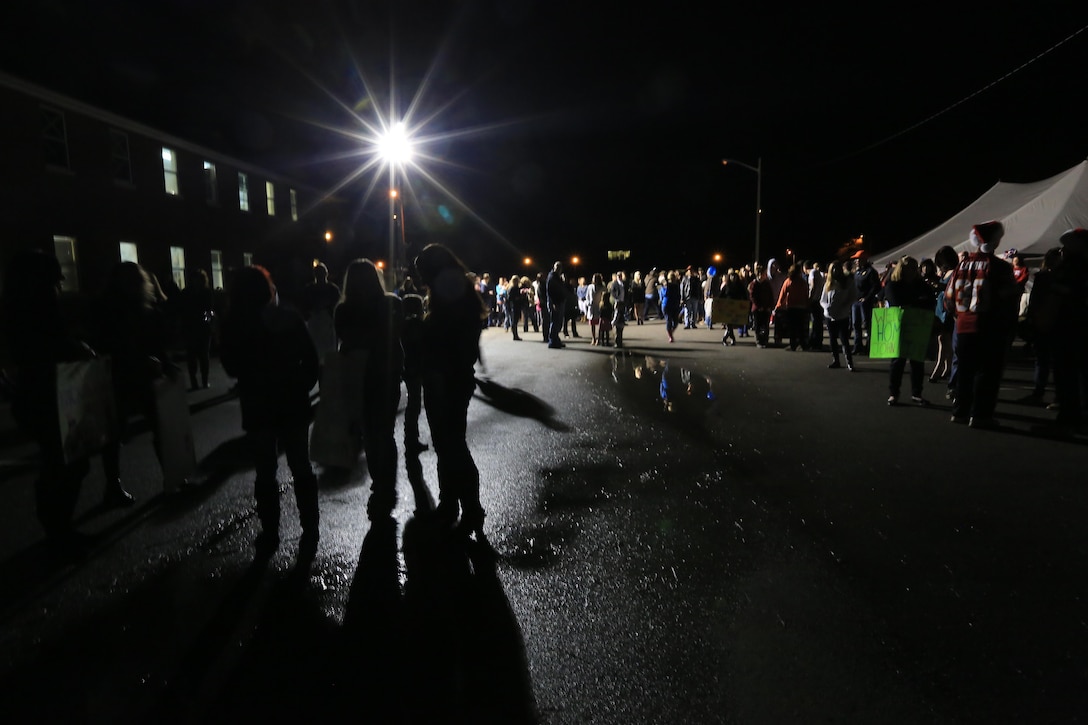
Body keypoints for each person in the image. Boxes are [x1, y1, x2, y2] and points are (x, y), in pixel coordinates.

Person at [220, 266, 320, 560]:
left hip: (258, 403)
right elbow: (311, 360)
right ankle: (310, 527)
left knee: (265, 470)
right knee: (301, 465)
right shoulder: (288, 317)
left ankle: (271, 531)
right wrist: (300, 384)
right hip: (293, 401)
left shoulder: (234, 325)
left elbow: (231, 367)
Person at [1, 250, 95, 554]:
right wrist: (78, 348)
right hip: (49, 395)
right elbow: (53, 346)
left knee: (59, 461)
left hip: (32, 396)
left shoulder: (15, 306)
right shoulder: (38, 306)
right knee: (67, 462)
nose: (59, 284)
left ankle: (56, 529)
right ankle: (58, 531)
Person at [413, 244, 488, 536]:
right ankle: (455, 504)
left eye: (422, 272)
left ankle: (467, 507)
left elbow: (446, 343)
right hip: (453, 378)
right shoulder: (460, 292)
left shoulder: (447, 296)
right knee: (449, 444)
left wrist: (421, 334)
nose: (420, 278)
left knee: (451, 445)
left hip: (445, 379)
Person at [95, 261, 174, 507]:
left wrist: (164, 362)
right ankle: (167, 479)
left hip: (125, 377)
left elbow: (156, 345)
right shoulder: (128, 311)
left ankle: (114, 486)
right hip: (126, 376)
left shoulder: (111, 310)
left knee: (119, 434)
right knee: (127, 431)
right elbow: (116, 346)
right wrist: (157, 361)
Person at [335, 259, 405, 518]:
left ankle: (379, 481)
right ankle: (387, 483)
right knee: (385, 432)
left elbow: (345, 340)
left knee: (368, 431)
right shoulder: (391, 303)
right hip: (386, 373)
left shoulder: (344, 309)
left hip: (359, 375)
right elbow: (397, 335)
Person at [945, 221, 1019, 429]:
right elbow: (1009, 299)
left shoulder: (961, 265)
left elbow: (948, 298)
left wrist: (959, 316)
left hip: (964, 325)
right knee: (987, 373)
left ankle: (959, 412)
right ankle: (981, 415)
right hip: (989, 326)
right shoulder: (1001, 267)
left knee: (965, 372)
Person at [1049, 229, 1088, 429]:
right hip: (1078, 326)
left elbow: (1060, 295)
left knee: (1067, 373)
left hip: (1068, 327)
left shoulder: (1069, 269)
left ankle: (1069, 415)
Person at [883, 256, 935, 405]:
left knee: (917, 361)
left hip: (916, 324)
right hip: (899, 325)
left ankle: (917, 394)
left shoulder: (920, 284)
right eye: (909, 268)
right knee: (897, 361)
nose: (912, 271)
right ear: (902, 269)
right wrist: (917, 301)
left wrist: (912, 303)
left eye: (914, 268)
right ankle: (894, 393)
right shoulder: (893, 283)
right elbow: (895, 301)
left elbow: (930, 299)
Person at [1023, 247, 1062, 402]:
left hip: (1042, 321)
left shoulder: (1042, 277)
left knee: (1042, 360)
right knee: (1057, 361)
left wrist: (1031, 318)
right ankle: (1059, 396)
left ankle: (1039, 392)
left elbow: (1034, 301)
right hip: (1058, 322)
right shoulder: (1062, 277)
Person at [178, 267, 215, 391]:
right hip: (198, 327)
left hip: (194, 327)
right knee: (199, 356)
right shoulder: (205, 292)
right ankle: (201, 381)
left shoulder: (187, 293)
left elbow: (182, 311)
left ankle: (199, 381)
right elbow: (208, 310)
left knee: (197, 356)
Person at [400, 293, 429, 453]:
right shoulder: (418, 324)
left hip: (408, 366)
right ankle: (411, 438)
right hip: (418, 366)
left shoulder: (402, 324)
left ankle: (410, 437)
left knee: (413, 402)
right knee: (415, 404)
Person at [299, 262, 341, 365]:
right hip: (316, 323)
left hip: (327, 323)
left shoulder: (332, 289)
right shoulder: (311, 289)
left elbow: (337, 307)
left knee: (326, 350)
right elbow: (303, 307)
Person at [820, 260, 858, 370]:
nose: (836, 271)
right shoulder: (828, 283)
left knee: (844, 339)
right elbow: (822, 300)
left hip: (842, 315)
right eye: (833, 269)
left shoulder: (848, 282)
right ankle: (835, 360)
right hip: (829, 315)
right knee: (832, 338)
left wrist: (845, 306)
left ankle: (849, 362)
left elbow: (853, 297)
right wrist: (826, 307)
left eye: (837, 268)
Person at [930, 245, 959, 384]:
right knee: (943, 339)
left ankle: (939, 367)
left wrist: (939, 286)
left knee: (943, 338)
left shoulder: (955, 272)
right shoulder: (945, 272)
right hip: (940, 307)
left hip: (948, 308)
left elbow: (952, 288)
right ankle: (946, 367)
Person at [774, 263, 810, 351]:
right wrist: (807, 305)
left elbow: (782, 294)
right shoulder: (802, 282)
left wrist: (778, 305)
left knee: (792, 328)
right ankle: (803, 344)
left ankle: (793, 345)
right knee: (801, 327)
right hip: (801, 307)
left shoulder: (788, 281)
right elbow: (806, 295)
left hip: (791, 307)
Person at [851, 253, 881, 355]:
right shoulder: (857, 272)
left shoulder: (871, 272)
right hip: (856, 301)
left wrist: (867, 298)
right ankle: (857, 346)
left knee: (867, 324)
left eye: (858, 259)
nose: (856, 261)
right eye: (855, 260)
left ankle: (869, 346)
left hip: (865, 302)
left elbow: (875, 287)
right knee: (856, 324)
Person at [747, 263, 774, 348]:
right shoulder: (754, 284)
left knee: (765, 325)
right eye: (764, 273)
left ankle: (765, 340)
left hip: (766, 308)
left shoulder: (767, 284)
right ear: (759, 274)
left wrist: (770, 306)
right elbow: (752, 296)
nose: (765, 275)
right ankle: (759, 341)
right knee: (758, 325)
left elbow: (770, 296)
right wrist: (759, 306)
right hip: (757, 309)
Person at [546, 261, 566, 349]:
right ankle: (552, 341)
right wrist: (553, 303)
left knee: (558, 322)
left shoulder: (556, 277)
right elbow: (551, 291)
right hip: (555, 302)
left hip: (558, 301)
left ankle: (556, 340)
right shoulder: (552, 277)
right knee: (555, 321)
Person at [661, 270, 681, 342]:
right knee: (669, 320)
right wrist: (666, 286)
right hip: (667, 304)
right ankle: (670, 336)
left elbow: (679, 295)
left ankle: (670, 333)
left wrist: (679, 302)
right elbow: (664, 294)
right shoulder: (666, 285)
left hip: (675, 304)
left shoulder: (676, 285)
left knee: (675, 322)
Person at [608, 271, 626, 348]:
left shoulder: (623, 283)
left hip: (622, 302)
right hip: (618, 301)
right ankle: (617, 341)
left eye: (620, 275)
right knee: (617, 318)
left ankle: (620, 341)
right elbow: (612, 292)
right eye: (618, 275)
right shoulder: (615, 283)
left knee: (620, 320)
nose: (619, 277)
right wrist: (617, 299)